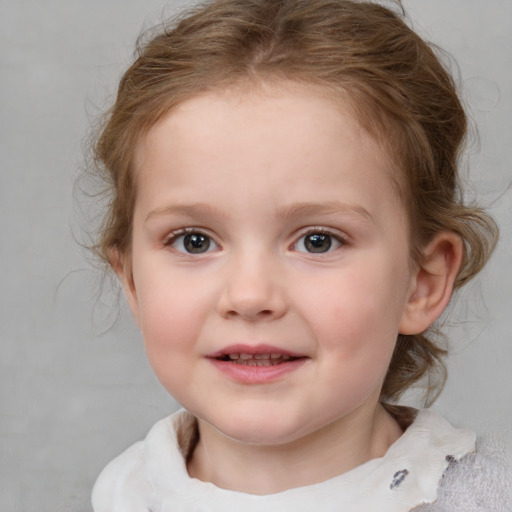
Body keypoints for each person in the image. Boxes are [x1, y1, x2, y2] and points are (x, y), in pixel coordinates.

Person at [88, 0, 510, 510]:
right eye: (194, 241)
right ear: (132, 279)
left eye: (318, 241)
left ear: (421, 280)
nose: (249, 296)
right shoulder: (122, 494)